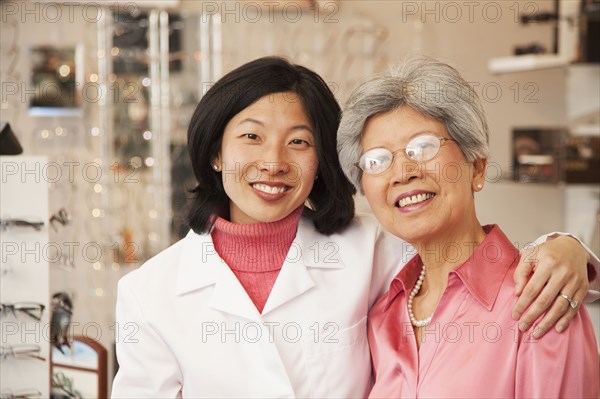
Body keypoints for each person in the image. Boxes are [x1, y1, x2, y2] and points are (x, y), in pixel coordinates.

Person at [111, 56, 597, 398]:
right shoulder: (149, 292)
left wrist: (567, 246)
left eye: (299, 142)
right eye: (251, 137)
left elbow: (468, 263)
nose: (272, 162)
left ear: (323, 162)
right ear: (216, 152)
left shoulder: (372, 248)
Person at [337, 56, 599, 398]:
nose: (402, 172)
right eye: (377, 160)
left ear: (476, 169)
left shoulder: (539, 299)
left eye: (423, 147)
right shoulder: (385, 312)